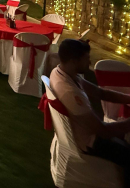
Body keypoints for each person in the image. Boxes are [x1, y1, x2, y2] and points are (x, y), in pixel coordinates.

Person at [51, 39, 130, 180]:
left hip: (83, 134)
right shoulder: (70, 92)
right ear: (74, 61)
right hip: (89, 142)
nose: (90, 62)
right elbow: (103, 131)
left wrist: (128, 99)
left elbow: (100, 93)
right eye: (86, 58)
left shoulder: (61, 72)